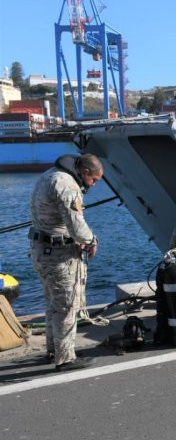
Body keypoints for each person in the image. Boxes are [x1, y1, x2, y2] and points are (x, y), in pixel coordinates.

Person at [29, 154, 103, 371]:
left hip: (40, 250)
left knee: (53, 302)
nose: (94, 185)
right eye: (94, 180)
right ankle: (65, 359)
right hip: (59, 255)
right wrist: (91, 241)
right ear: (85, 172)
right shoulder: (67, 184)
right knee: (66, 306)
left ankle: (53, 350)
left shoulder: (49, 175)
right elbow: (76, 224)